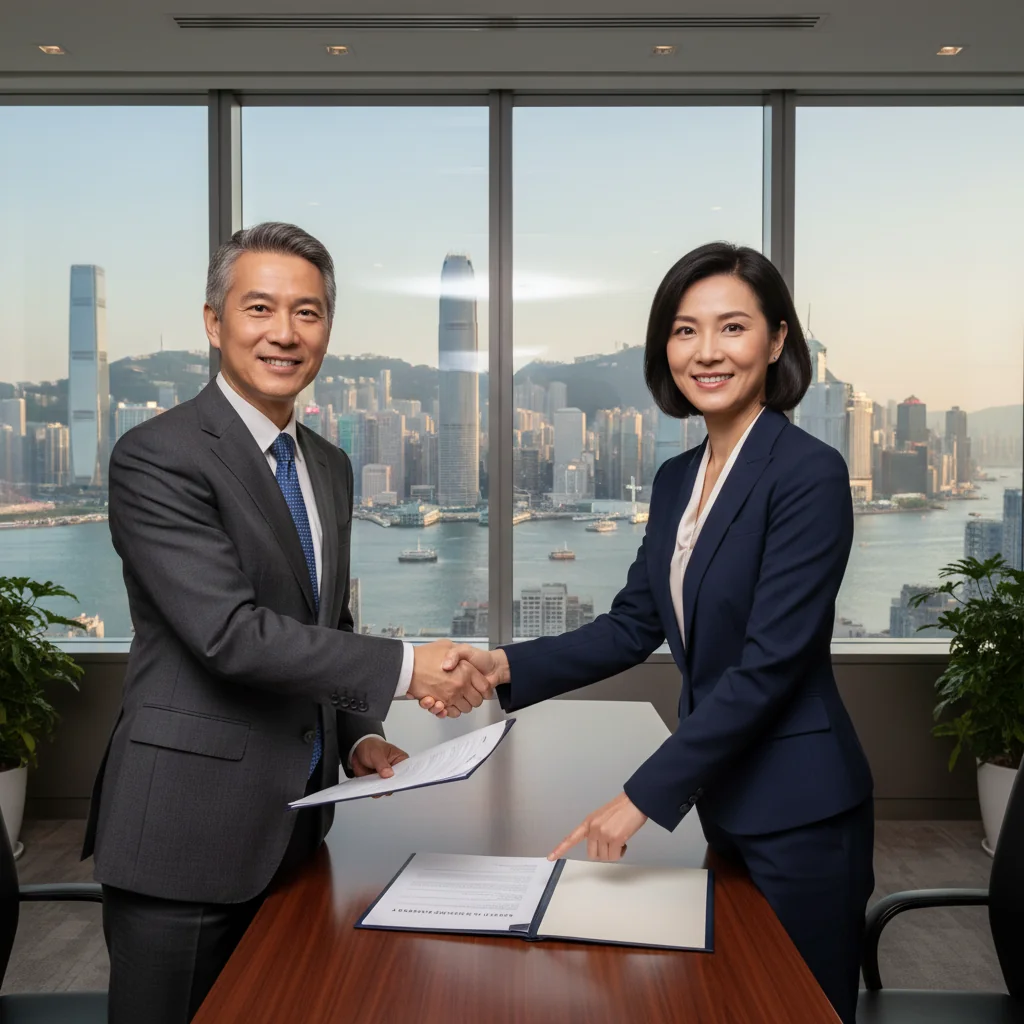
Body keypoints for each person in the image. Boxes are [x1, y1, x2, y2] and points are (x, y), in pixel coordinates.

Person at [435, 242, 875, 1024]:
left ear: (777, 340)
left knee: (799, 1007)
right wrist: (502, 664)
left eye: (732, 327)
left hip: (803, 812)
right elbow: (632, 625)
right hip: (726, 799)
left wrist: (639, 797)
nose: (706, 352)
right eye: (684, 330)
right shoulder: (676, 480)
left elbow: (770, 667)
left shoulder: (808, 473)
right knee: (733, 1002)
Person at [83, 222, 491, 1023]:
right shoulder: (157, 455)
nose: (285, 332)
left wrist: (360, 735)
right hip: (185, 834)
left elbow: (329, 617)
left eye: (307, 312)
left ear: (327, 331)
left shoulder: (328, 465)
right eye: (260, 308)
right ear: (214, 322)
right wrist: (409, 668)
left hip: (301, 831)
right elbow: (228, 634)